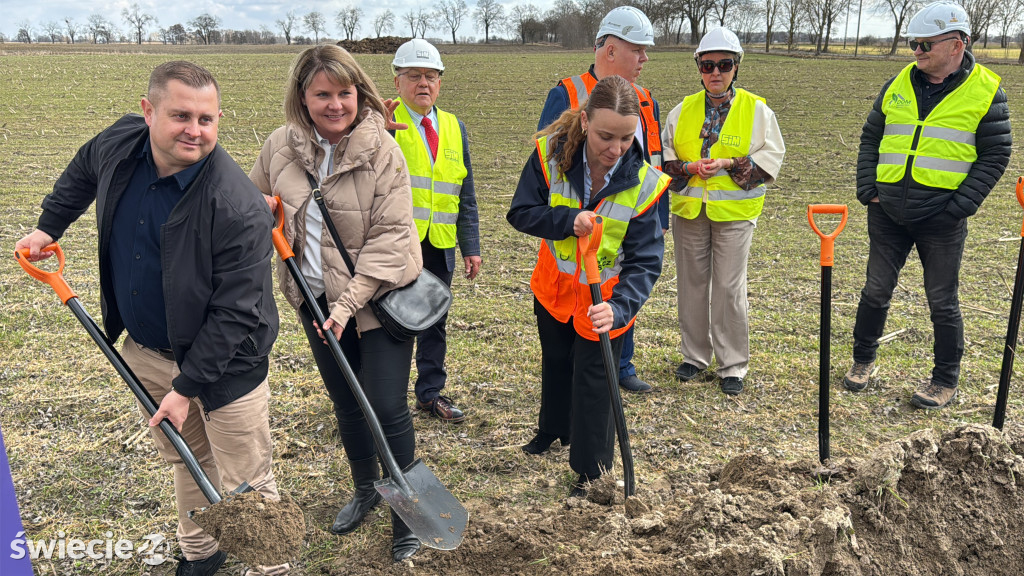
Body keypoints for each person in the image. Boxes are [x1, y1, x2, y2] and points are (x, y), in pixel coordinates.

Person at [15, 61, 285, 576]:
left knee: (248, 480)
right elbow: (81, 170)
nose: (195, 130)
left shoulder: (238, 205)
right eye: (181, 115)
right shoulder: (119, 142)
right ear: (147, 112)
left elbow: (236, 312)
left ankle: (269, 566)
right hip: (147, 351)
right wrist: (49, 227)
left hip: (228, 367)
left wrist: (186, 389)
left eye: (207, 119)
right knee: (187, 459)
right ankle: (201, 552)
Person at [249, 44, 423, 562]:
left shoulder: (383, 150)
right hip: (313, 299)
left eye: (344, 92)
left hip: (377, 300)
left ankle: (407, 514)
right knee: (347, 402)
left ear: (358, 93)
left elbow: (393, 237)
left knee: (386, 407)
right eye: (322, 93)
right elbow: (252, 207)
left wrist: (346, 304)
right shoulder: (279, 147)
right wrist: (258, 211)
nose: (335, 104)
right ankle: (366, 489)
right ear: (302, 97)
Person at [842, 2, 1011, 409]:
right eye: (912, 43)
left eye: (924, 44)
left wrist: (960, 206)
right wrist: (870, 188)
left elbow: (996, 154)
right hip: (888, 212)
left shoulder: (987, 90)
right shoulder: (897, 83)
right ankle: (863, 360)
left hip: (942, 218)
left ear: (958, 44)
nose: (916, 51)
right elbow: (870, 138)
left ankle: (944, 379)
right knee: (875, 290)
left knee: (942, 300)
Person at [508, 75, 668, 493]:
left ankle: (591, 470)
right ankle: (553, 430)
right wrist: (566, 221)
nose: (615, 149)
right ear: (584, 121)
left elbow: (647, 261)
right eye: (605, 136)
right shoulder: (549, 156)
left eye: (626, 138)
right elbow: (521, 212)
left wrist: (620, 308)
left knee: (596, 381)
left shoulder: (644, 184)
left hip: (605, 302)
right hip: (555, 289)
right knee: (557, 364)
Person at [537, 5, 667, 394]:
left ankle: (621, 364)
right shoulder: (567, 94)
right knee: (582, 297)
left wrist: (657, 217)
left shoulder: (645, 101)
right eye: (638, 50)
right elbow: (549, 163)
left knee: (622, 288)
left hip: (632, 218)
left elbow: (653, 161)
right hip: (578, 231)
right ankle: (583, 367)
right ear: (611, 50)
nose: (645, 59)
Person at [661, 27, 785, 397]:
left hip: (734, 215)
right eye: (708, 64)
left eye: (724, 64)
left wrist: (731, 163)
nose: (716, 72)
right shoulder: (681, 111)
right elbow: (665, 159)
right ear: (698, 66)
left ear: (736, 67)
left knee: (730, 289)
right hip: (689, 211)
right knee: (691, 286)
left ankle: (732, 364)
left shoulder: (758, 110)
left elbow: (771, 160)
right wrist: (687, 169)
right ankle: (694, 357)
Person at [390, 39, 480, 424]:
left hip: (440, 244)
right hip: (394, 246)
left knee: (434, 322)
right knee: (391, 323)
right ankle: (386, 397)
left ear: (440, 82)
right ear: (398, 82)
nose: (423, 83)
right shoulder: (386, 122)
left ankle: (430, 393)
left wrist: (471, 247)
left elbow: (466, 194)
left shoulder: (454, 127)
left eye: (430, 76)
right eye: (414, 76)